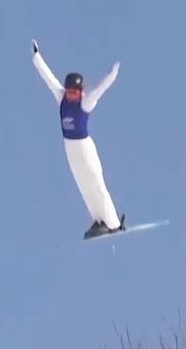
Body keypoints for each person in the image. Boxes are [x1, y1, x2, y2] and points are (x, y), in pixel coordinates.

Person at [31, 39, 125, 239]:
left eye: (75, 92)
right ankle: (99, 221)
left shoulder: (85, 103)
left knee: (96, 181)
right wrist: (37, 57)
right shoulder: (61, 99)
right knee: (84, 185)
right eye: (69, 91)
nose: (71, 95)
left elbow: (101, 89)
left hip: (84, 147)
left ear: (81, 91)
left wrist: (113, 73)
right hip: (70, 148)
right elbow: (48, 78)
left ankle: (113, 223)